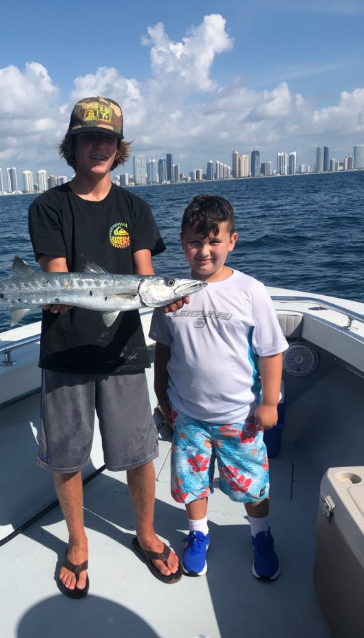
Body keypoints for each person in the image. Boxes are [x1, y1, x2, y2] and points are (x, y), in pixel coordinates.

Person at [28, 96, 183, 598]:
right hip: (66, 350)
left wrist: (165, 298)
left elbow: (145, 277)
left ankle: (145, 531)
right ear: (70, 147)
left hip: (123, 352)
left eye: (108, 139)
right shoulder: (48, 206)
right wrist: (56, 297)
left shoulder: (134, 208)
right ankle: (77, 542)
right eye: (88, 138)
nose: (98, 146)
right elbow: (56, 272)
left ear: (120, 150)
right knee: (68, 457)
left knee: (140, 453)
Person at [150, 194, 288, 580]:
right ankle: (198, 534)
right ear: (181, 242)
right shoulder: (170, 294)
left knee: (253, 486)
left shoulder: (250, 291)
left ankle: (260, 535)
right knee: (191, 483)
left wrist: (269, 402)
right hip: (187, 416)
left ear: (232, 241)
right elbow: (164, 350)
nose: (204, 251)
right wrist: (162, 398)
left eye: (214, 241)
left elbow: (271, 351)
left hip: (239, 417)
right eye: (195, 241)